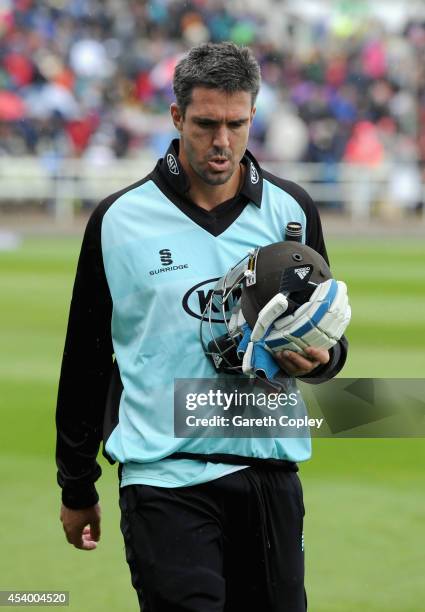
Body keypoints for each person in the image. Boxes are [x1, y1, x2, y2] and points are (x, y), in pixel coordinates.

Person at [56, 42, 348, 611]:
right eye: (206, 123)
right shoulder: (119, 219)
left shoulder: (293, 211)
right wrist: (76, 483)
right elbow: (86, 357)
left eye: (236, 124)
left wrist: (322, 358)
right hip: (164, 479)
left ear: (252, 118)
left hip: (270, 473)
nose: (222, 141)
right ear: (176, 117)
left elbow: (325, 334)